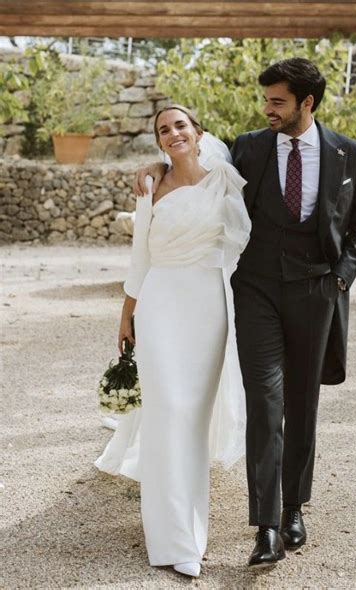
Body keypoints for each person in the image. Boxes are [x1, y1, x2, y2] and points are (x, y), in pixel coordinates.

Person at [134, 57, 356, 570]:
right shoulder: (247, 148)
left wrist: (338, 281)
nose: (267, 108)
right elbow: (193, 164)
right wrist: (157, 168)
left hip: (317, 290)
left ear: (306, 104)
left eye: (277, 101)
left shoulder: (347, 154)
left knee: (301, 403)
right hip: (258, 291)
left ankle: (294, 509)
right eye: (265, 99)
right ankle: (266, 527)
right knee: (264, 404)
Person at [96, 105, 251, 578]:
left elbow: (246, 241)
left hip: (208, 305)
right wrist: (127, 315)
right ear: (159, 142)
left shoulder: (225, 178)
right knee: (166, 416)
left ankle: (192, 530)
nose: (173, 132)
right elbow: (139, 255)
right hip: (160, 303)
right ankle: (169, 540)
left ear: (198, 132)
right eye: (164, 129)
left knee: (193, 419)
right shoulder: (150, 186)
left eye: (180, 124)